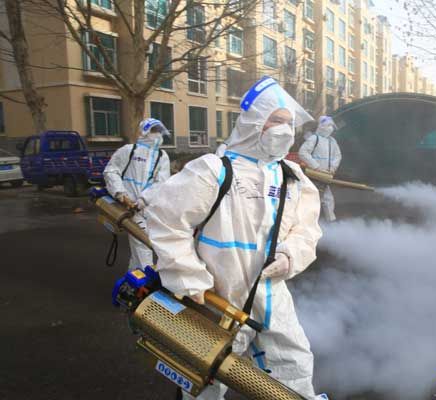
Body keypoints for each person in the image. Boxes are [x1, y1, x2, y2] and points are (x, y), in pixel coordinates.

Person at [143, 76, 326, 400]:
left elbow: (307, 230)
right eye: (276, 120)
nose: (285, 130)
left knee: (294, 370)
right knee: (206, 379)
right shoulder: (214, 170)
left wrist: (290, 256)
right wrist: (189, 278)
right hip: (216, 297)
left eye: (289, 123)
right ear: (255, 121)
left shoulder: (292, 177)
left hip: (271, 296)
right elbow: (167, 220)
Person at [103, 118, 171, 271]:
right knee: (143, 245)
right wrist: (121, 195)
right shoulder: (128, 150)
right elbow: (111, 171)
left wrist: (142, 200)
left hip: (149, 210)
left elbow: (161, 183)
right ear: (145, 131)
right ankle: (147, 280)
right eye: (154, 130)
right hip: (129, 210)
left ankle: (132, 279)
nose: (157, 134)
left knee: (140, 250)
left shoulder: (162, 156)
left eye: (159, 131)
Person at [298, 115, 342, 222]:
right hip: (314, 174)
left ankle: (330, 221)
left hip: (326, 174)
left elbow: (338, 155)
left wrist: (333, 168)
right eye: (328, 125)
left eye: (331, 126)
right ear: (321, 126)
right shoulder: (314, 139)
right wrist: (316, 167)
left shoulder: (332, 141)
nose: (330, 128)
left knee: (327, 199)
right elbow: (303, 153)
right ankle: (306, 220)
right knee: (311, 196)